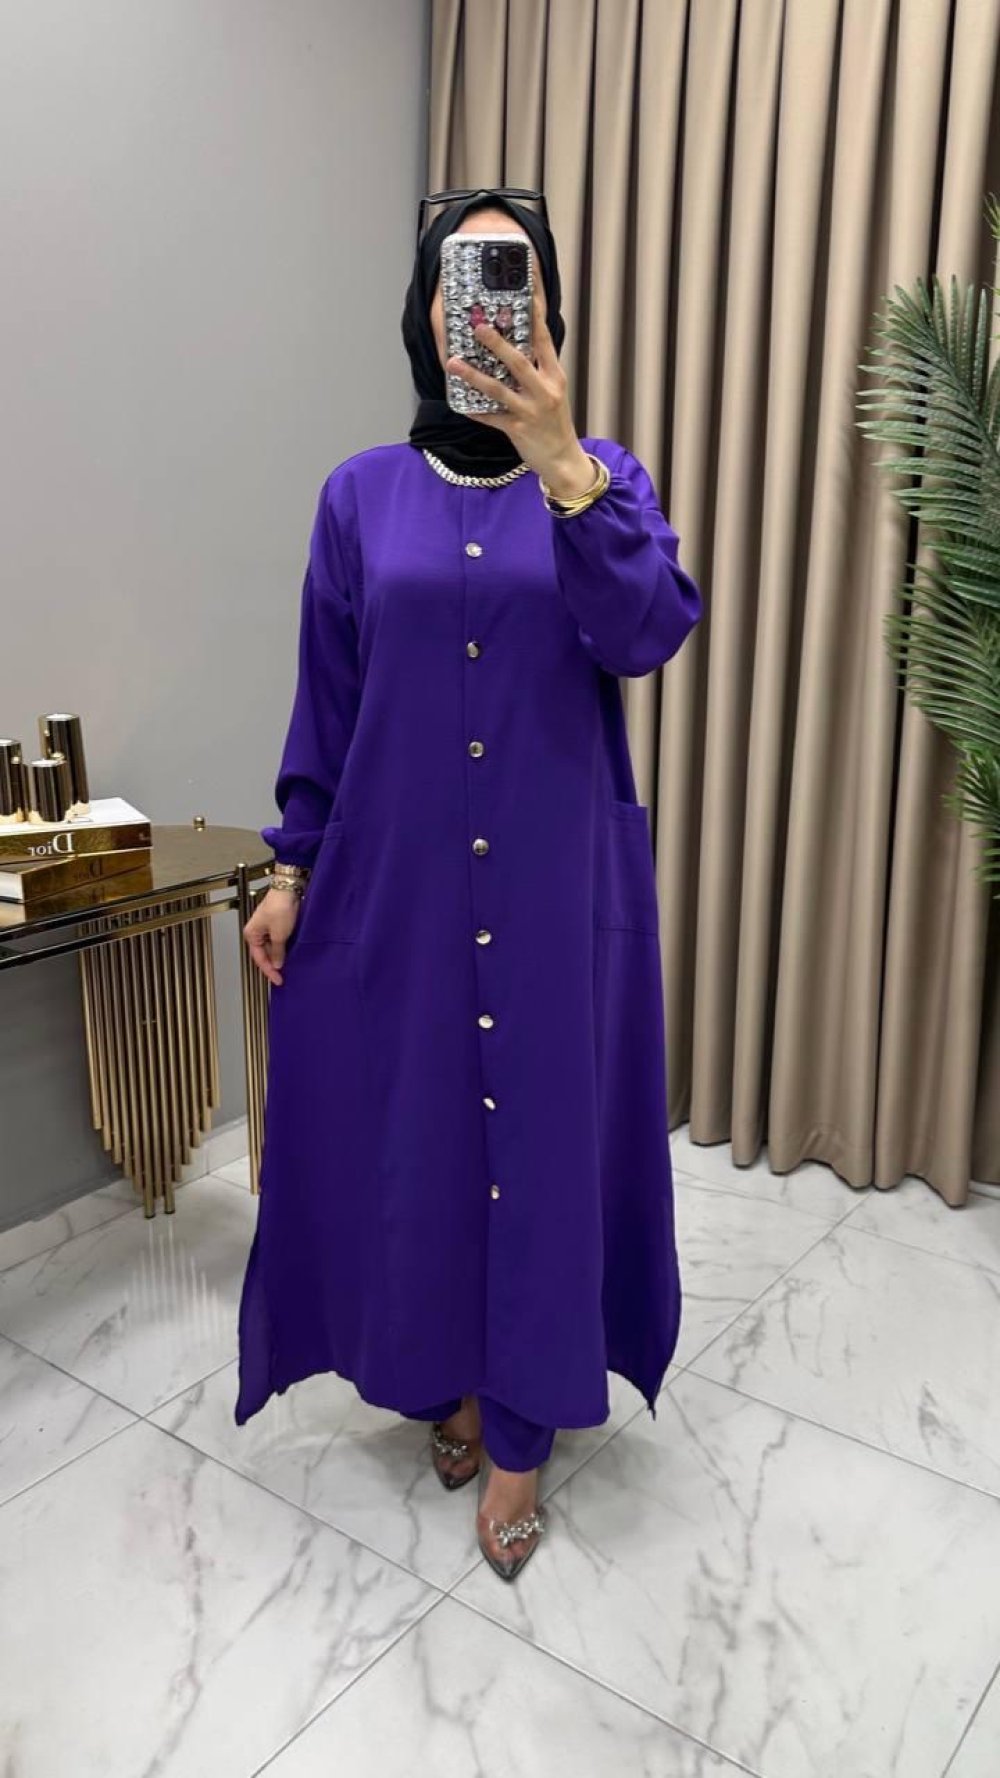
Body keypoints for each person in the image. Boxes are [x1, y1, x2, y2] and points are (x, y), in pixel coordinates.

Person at [237, 187, 703, 1582]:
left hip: (554, 889)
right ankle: (444, 1371)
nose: (487, 302)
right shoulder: (358, 495)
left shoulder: (602, 479)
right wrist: (290, 865)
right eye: (464, 275)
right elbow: (329, 698)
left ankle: (521, 1427)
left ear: (545, 308)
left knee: (546, 1146)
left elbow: (647, 628)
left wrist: (562, 462)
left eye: (512, 276)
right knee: (421, 1132)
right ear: (426, 310)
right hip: (400, 885)